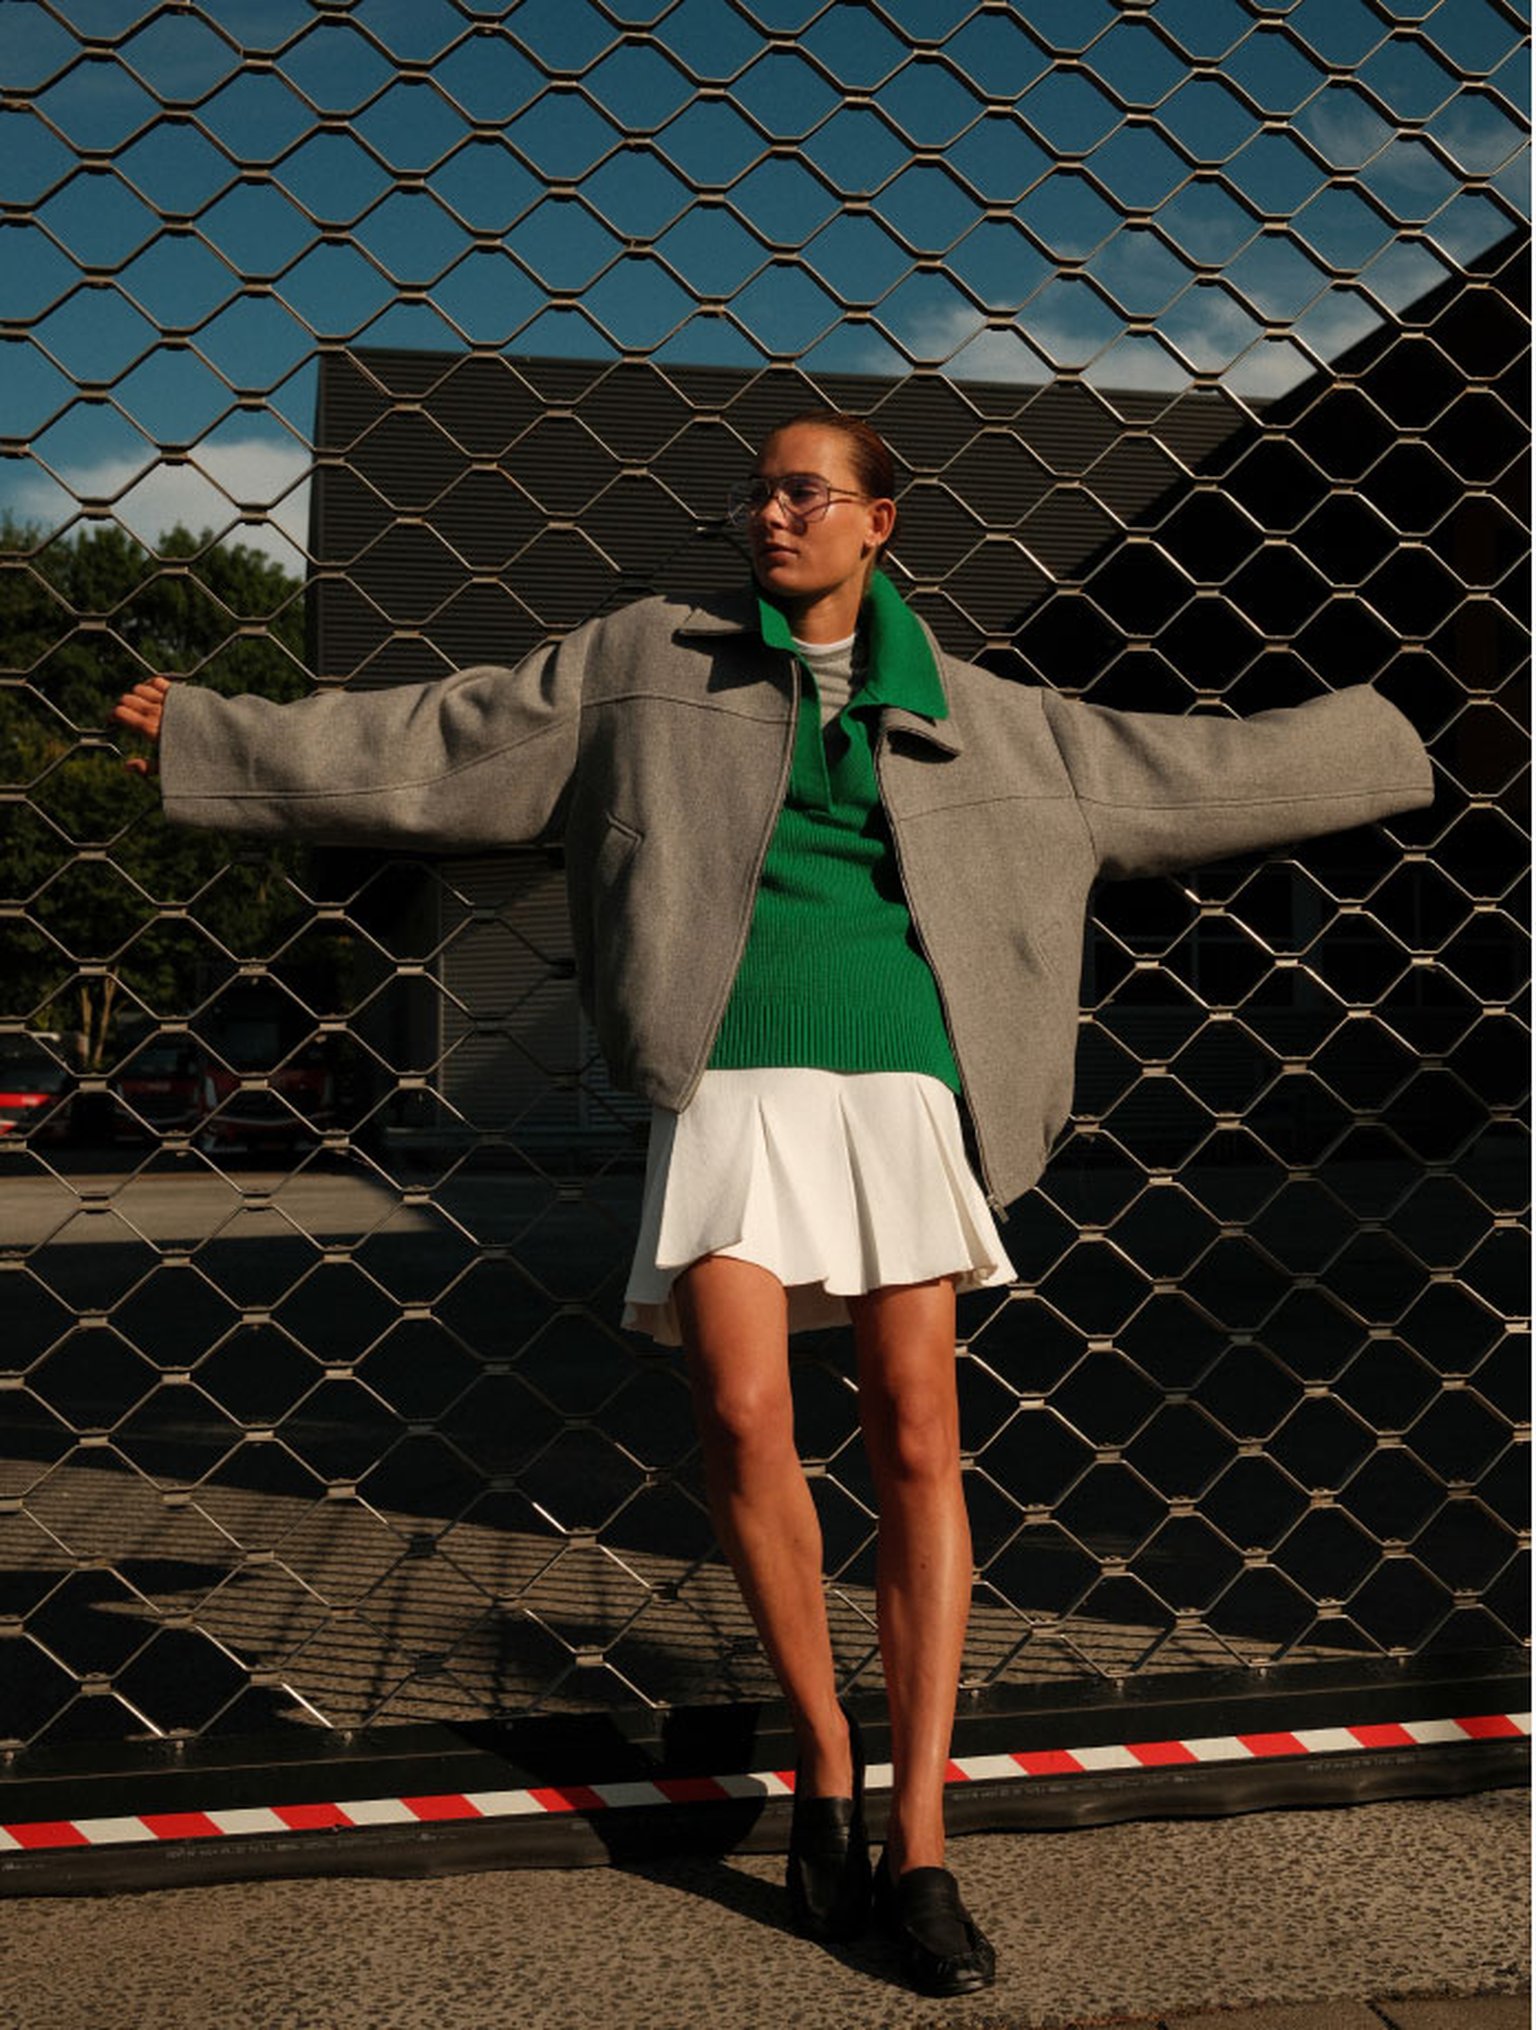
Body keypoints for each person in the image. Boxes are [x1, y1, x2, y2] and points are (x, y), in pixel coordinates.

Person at [114, 408, 1434, 1997]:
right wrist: (220, 739)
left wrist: (1399, 732)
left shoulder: (981, 712)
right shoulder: (646, 661)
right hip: (733, 1080)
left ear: (882, 521)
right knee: (743, 1416)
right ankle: (823, 1760)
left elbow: (1188, 772)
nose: (772, 512)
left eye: (808, 490)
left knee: (918, 1434)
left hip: (898, 1083)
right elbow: (443, 743)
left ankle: (922, 1833)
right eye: (757, 490)